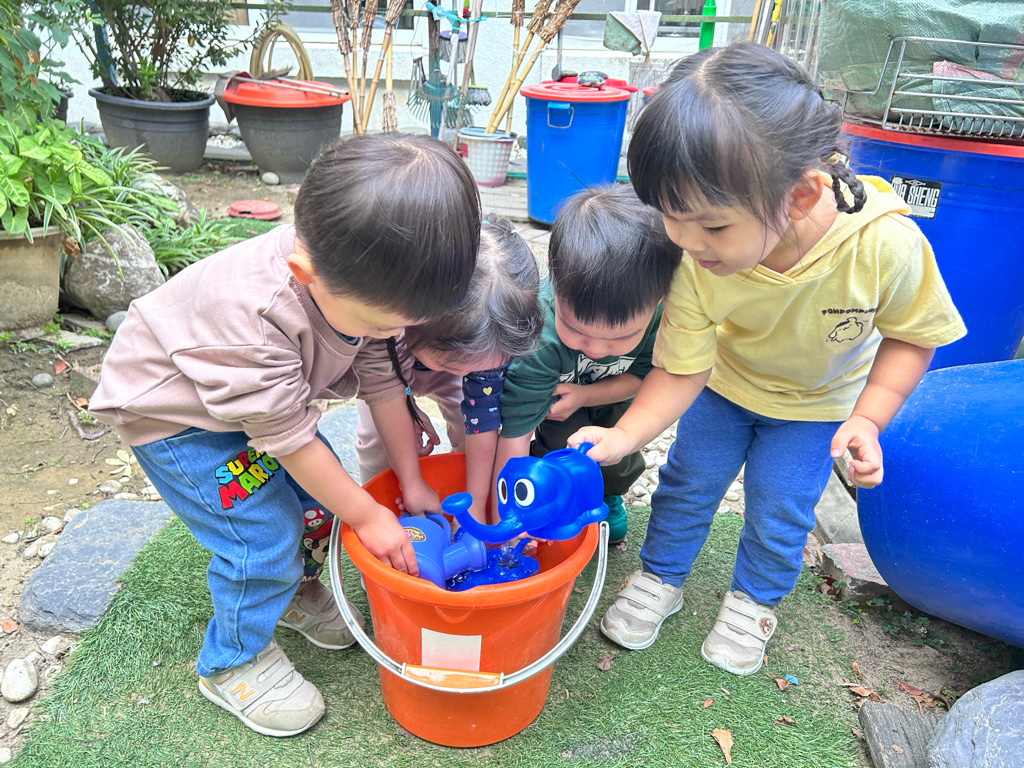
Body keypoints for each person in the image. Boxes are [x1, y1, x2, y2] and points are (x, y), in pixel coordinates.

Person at [568, 43, 966, 675]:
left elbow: (913, 334)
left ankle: (753, 600)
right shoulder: (695, 260)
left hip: (817, 406)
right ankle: (660, 575)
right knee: (687, 482)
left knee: (780, 505)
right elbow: (682, 367)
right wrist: (625, 435)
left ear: (800, 197)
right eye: (670, 217)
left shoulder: (884, 244)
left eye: (711, 226)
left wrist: (868, 419)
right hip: (723, 389)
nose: (685, 241)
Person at [88, 133, 481, 737]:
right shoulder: (255, 316)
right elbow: (290, 439)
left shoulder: (361, 279)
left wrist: (409, 481)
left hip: (251, 411)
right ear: (304, 273)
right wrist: (369, 515)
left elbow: (382, 382)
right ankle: (232, 660)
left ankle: (292, 591)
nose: (393, 335)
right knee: (263, 534)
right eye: (382, 324)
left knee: (318, 508)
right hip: (176, 419)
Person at [493, 184, 682, 543]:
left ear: (660, 300)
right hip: (556, 406)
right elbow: (515, 431)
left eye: (619, 339)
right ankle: (553, 497)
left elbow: (644, 377)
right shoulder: (540, 338)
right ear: (554, 278)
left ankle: (607, 495)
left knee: (617, 457)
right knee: (557, 450)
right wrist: (512, 514)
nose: (595, 349)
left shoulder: (661, 321)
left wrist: (585, 396)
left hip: (616, 397)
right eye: (576, 330)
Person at [354, 217, 543, 526]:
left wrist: (475, 504)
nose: (467, 372)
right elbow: (381, 390)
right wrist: (406, 407)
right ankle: (380, 503)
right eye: (456, 364)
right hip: (389, 372)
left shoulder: (492, 341)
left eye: (479, 367)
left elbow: (482, 422)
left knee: (467, 431)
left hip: (437, 355)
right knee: (378, 436)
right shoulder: (387, 327)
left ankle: (462, 493)